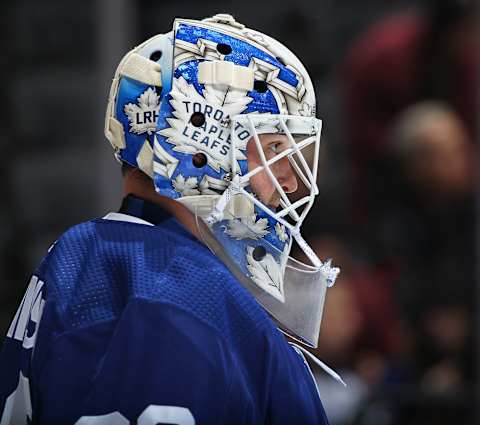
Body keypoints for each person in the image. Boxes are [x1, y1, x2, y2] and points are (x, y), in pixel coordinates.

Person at [0, 14, 341, 424]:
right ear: (199, 147)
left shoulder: (99, 257)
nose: (287, 178)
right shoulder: (161, 290)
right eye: (271, 147)